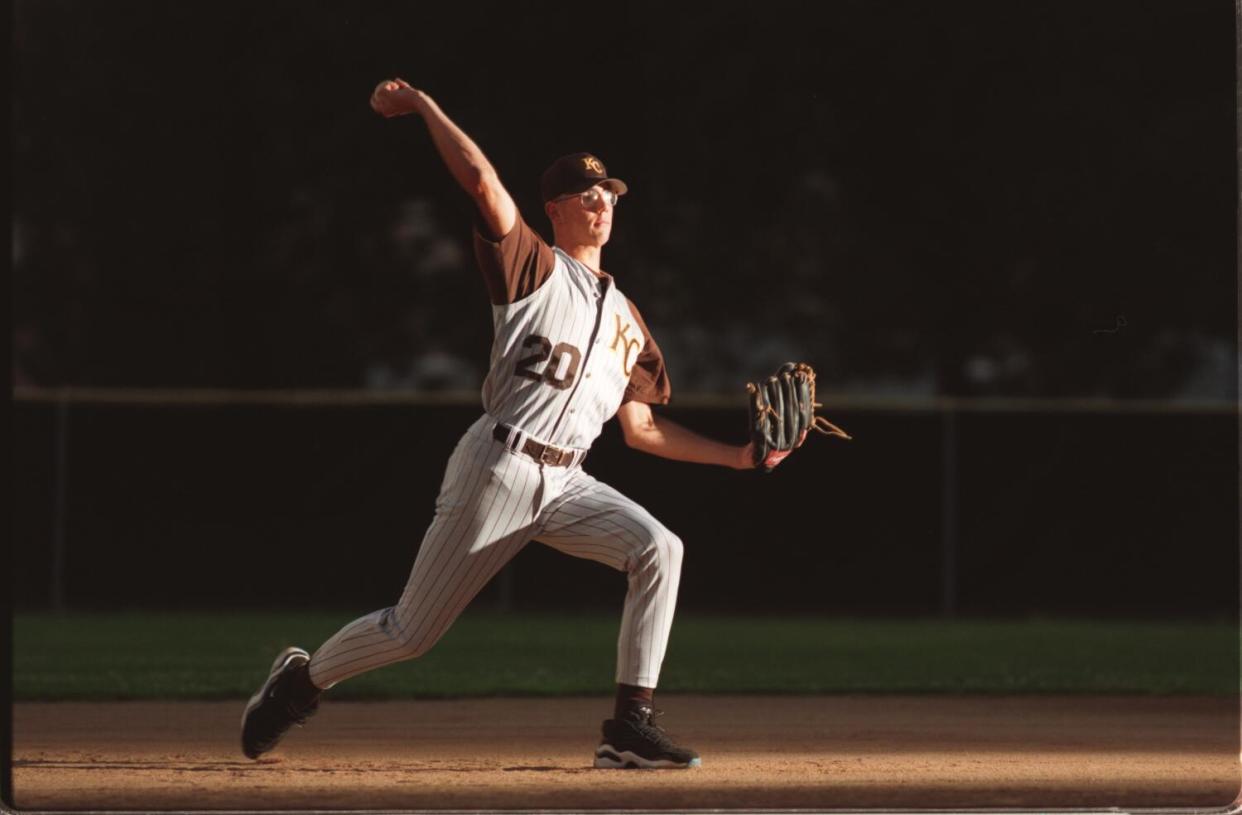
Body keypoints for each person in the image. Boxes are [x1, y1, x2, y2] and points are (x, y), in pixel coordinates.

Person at [241, 78, 776, 770]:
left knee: (660, 549)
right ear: (553, 207)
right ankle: (300, 683)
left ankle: (629, 726)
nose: (602, 201)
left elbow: (641, 430)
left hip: (568, 482)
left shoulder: (629, 320)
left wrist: (739, 457)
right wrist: (426, 109)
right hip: (498, 465)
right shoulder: (531, 267)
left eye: (609, 192)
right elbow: (480, 178)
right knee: (411, 632)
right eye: (587, 192)